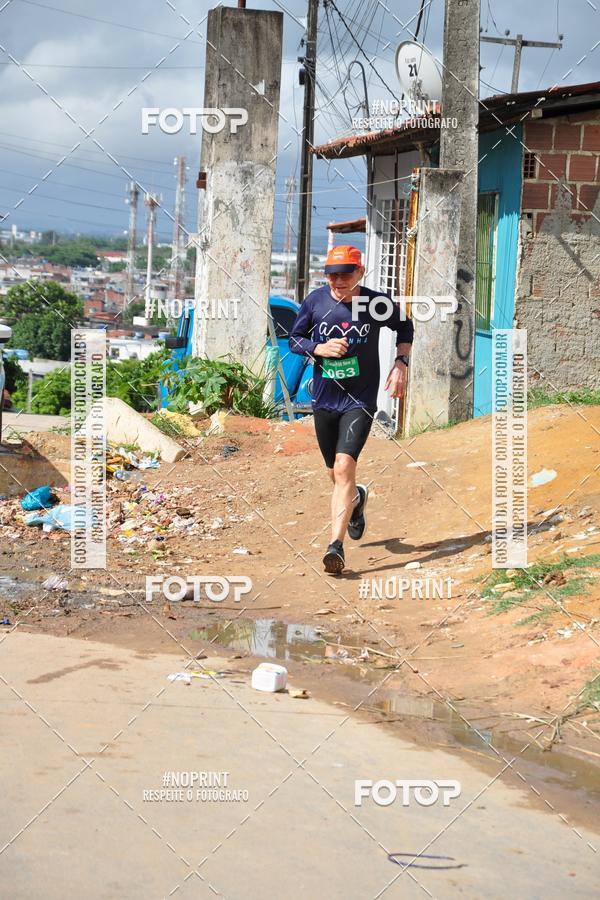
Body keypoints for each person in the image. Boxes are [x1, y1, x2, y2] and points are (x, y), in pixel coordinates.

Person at [289, 245, 414, 574]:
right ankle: (356, 499)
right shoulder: (316, 302)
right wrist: (320, 347)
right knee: (334, 474)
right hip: (325, 399)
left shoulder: (373, 303)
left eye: (345, 273)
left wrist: (400, 363)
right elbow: (294, 338)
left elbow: (405, 327)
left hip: (359, 399)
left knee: (344, 467)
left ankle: (335, 546)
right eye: (331, 274)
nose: (337, 280)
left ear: (360, 273)